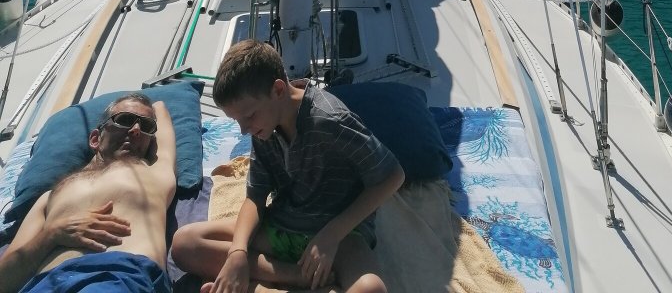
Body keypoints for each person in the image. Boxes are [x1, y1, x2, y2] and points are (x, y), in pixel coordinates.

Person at [172, 41, 404, 293]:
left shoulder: (330, 120)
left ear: (278, 90)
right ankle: (295, 278)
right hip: (283, 227)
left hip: (339, 235)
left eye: (248, 116)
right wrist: (237, 253)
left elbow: (393, 175)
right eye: (237, 121)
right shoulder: (264, 127)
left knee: (371, 289)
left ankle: (262, 284)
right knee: (185, 243)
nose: (243, 129)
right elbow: (255, 196)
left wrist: (331, 235)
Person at [0, 93, 176, 293]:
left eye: (146, 126)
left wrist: (145, 104)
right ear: (95, 139)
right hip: (42, 285)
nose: (136, 129)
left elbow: (161, 107)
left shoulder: (156, 173)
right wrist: (51, 235)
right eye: (125, 120)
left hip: (117, 275)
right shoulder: (49, 196)